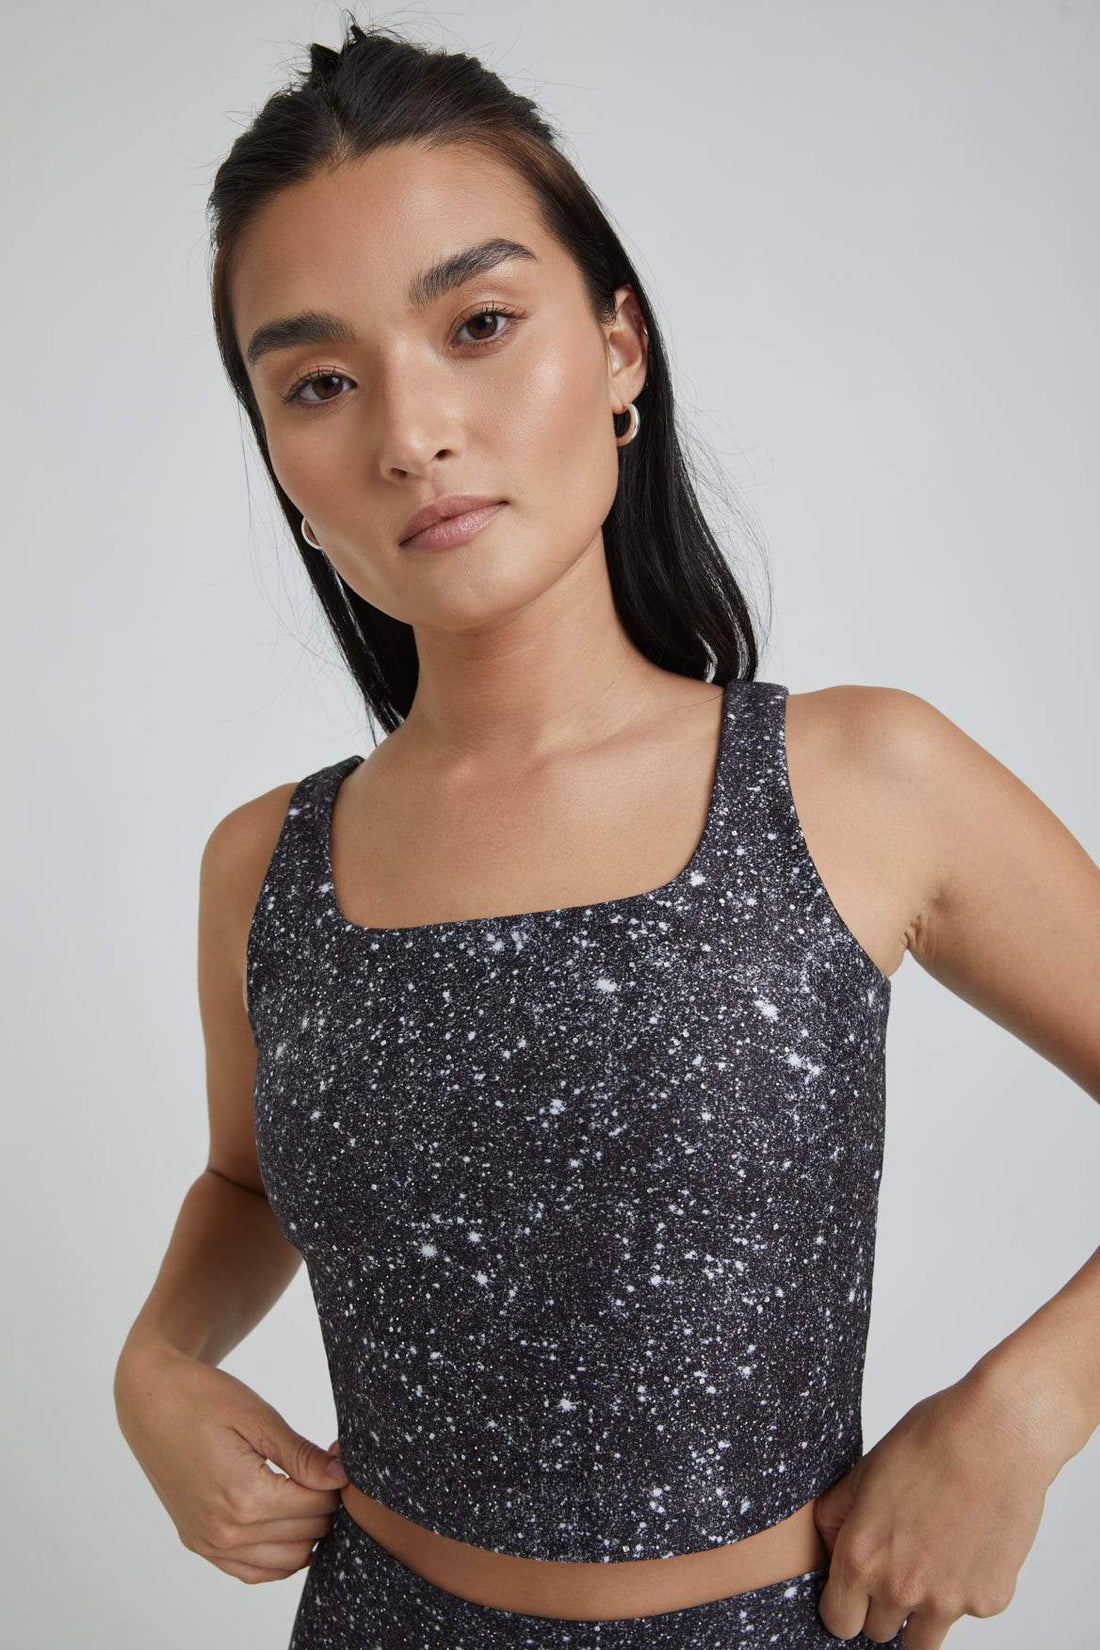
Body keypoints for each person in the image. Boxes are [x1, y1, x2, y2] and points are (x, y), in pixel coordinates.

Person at [113, 17, 1099, 1649]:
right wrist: (156, 1362)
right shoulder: (264, 867)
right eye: (320, 381)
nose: (410, 431)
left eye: (479, 323)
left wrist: (1024, 1413)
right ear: (283, 459)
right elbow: (244, 1177)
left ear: (620, 345)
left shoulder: (859, 779)